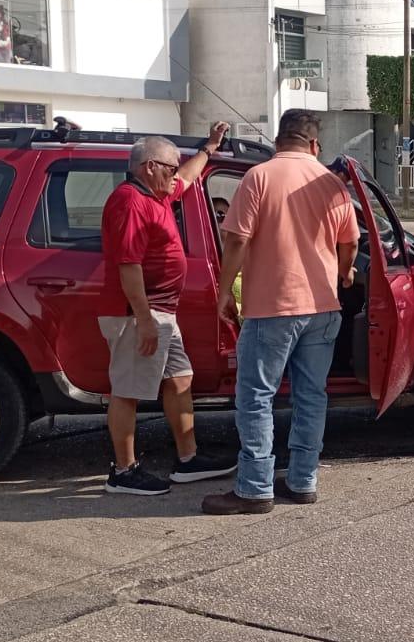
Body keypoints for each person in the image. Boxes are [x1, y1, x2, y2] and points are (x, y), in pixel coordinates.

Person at [208, 110, 360, 515]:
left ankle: (255, 487)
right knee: (312, 396)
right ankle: (303, 480)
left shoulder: (258, 177)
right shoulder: (333, 183)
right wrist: (344, 274)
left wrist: (225, 292)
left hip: (272, 307)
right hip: (323, 308)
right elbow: (351, 243)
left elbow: (237, 240)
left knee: (257, 397)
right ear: (314, 145)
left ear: (280, 140)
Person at [97, 125, 237, 495]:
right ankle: (123, 472)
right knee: (127, 390)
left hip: (161, 312)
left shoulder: (155, 195)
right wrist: (144, 321)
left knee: (179, 379)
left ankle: (188, 460)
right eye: (170, 168)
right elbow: (129, 265)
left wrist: (207, 149)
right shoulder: (130, 201)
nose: (176, 175)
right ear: (149, 167)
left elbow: (188, 180)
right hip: (138, 313)